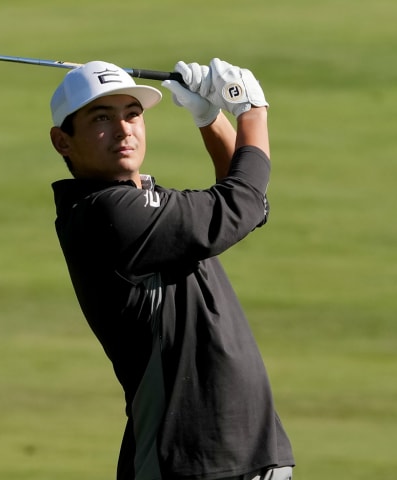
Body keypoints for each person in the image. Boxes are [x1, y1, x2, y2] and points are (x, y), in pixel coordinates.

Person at [48, 58, 295, 480]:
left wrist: (210, 119)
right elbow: (241, 203)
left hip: (243, 456)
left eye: (133, 114)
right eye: (102, 118)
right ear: (63, 141)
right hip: (188, 462)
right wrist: (250, 110)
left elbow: (246, 204)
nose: (124, 129)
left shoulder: (143, 202)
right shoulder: (106, 215)